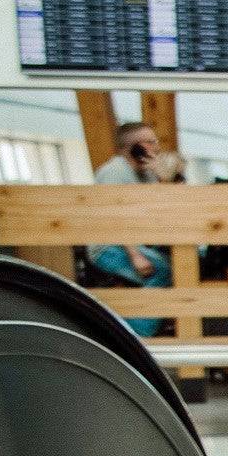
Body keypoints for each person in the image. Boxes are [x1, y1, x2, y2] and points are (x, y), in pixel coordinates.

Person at [88, 123, 172, 317]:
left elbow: (162, 209)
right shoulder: (113, 172)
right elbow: (113, 217)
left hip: (136, 245)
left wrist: (162, 178)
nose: (156, 147)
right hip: (109, 247)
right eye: (150, 142)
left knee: (177, 267)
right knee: (164, 271)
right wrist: (135, 256)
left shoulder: (147, 173)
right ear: (134, 146)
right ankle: (136, 330)